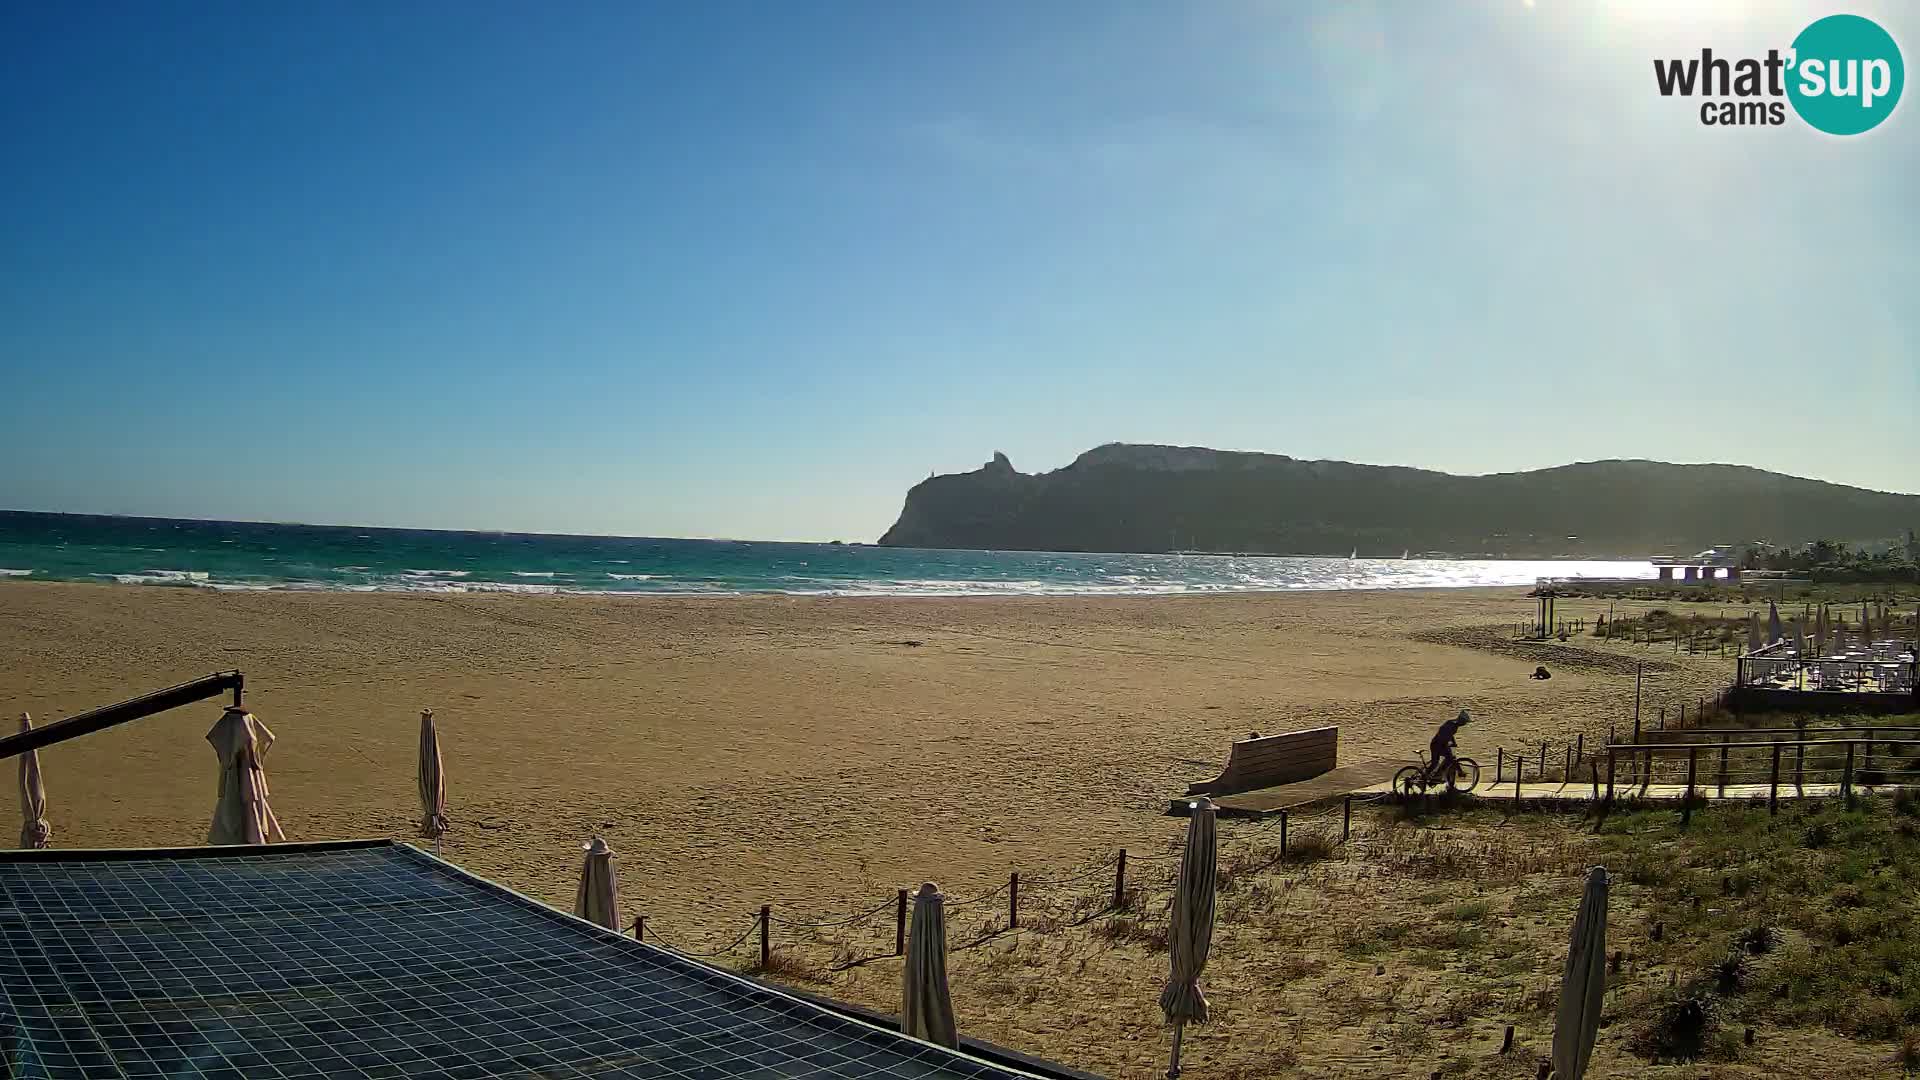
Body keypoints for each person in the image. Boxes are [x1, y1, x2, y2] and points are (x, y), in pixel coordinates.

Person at [1427, 709, 1471, 784]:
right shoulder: (1451, 724)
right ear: (1461, 720)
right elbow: (1443, 734)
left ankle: (1437, 776)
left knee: (1449, 759)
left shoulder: (1455, 725)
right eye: (1464, 722)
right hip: (1437, 744)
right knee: (1435, 763)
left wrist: (1454, 743)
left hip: (1442, 744)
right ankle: (1425, 777)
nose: (1464, 724)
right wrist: (1447, 743)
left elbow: (1451, 735)